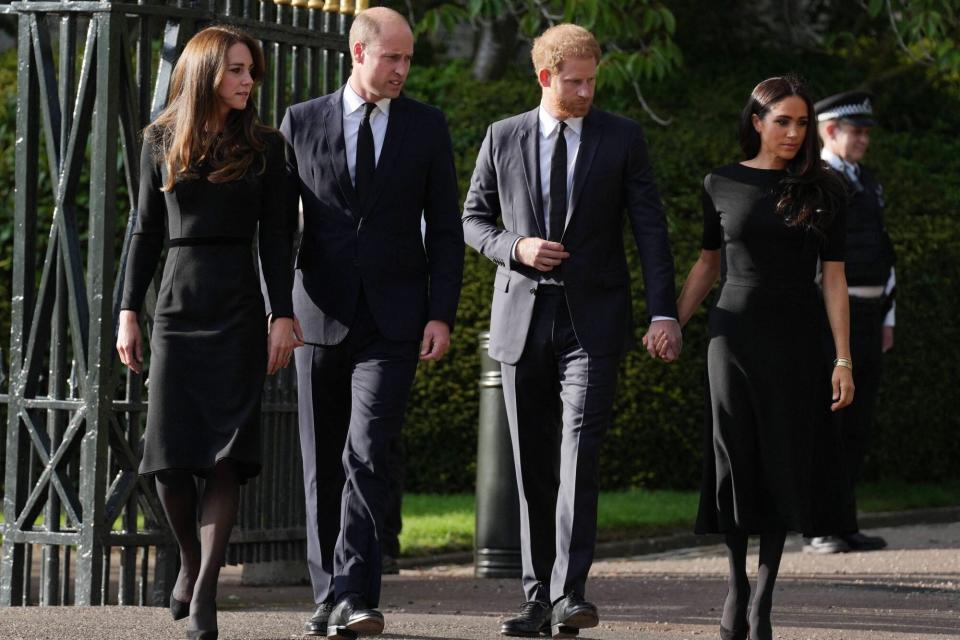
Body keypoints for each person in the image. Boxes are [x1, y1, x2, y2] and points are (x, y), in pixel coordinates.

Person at [462, 23, 681, 639]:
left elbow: (651, 230)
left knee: (578, 458)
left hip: (593, 324)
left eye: (592, 80)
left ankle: (570, 594)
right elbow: (472, 221)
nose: (586, 92)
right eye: (575, 82)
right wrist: (517, 246)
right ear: (545, 78)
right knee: (533, 465)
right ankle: (536, 598)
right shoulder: (502, 136)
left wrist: (662, 311)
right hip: (521, 320)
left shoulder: (623, 137)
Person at [276, 7, 463, 638]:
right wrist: (277, 311)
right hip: (316, 317)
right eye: (393, 58)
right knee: (321, 460)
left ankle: (356, 593)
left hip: (395, 321)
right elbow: (278, 230)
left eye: (409, 59)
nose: (403, 70)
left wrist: (441, 313)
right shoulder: (300, 122)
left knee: (366, 452)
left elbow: (445, 229)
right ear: (359, 53)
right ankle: (327, 595)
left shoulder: (427, 127)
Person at [116, 25, 300, 640]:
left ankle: (206, 596)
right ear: (205, 74)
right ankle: (190, 563)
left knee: (226, 459)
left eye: (252, 71)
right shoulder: (160, 140)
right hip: (176, 306)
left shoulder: (268, 147)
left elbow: (278, 238)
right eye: (238, 71)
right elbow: (143, 231)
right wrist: (127, 311)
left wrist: (282, 314)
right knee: (168, 459)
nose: (249, 82)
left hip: (240, 308)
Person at [674, 75, 856, 640]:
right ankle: (735, 581)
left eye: (802, 124)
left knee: (783, 455)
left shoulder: (825, 189)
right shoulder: (719, 183)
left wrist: (843, 359)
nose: (794, 133)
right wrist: (669, 324)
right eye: (783, 122)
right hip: (731, 337)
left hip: (798, 339)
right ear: (756, 122)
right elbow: (707, 264)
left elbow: (834, 278)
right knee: (734, 457)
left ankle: (764, 597)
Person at [804, 90, 895, 554]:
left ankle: (844, 522)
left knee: (857, 424)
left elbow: (884, 249)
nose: (863, 140)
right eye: (856, 131)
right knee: (828, 421)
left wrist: (888, 316)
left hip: (869, 312)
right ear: (830, 130)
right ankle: (818, 527)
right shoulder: (814, 181)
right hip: (828, 316)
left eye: (865, 132)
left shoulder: (867, 180)